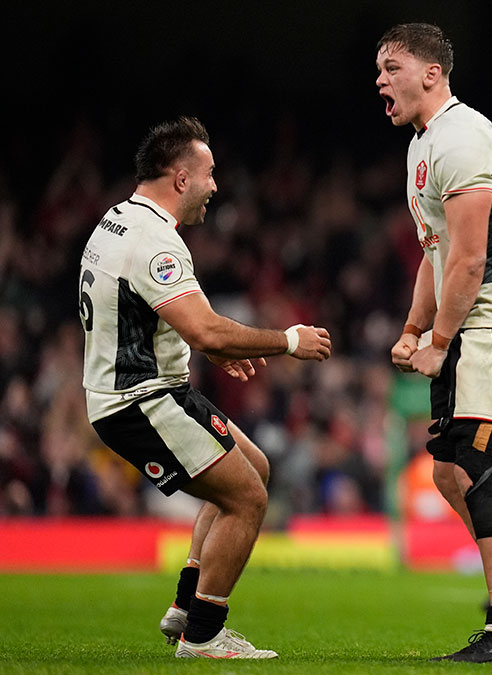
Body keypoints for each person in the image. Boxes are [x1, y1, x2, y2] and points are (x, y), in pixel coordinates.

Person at [79, 116, 333, 659]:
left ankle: (183, 607)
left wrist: (212, 345)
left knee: (255, 467)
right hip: (140, 401)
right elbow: (205, 326)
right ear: (179, 178)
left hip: (155, 388)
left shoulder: (117, 221)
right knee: (248, 499)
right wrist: (287, 341)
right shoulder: (155, 243)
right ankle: (204, 634)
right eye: (209, 173)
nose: (215, 186)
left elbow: (145, 313)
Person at [376, 23, 492, 663]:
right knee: (451, 471)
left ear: (432, 73)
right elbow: (437, 253)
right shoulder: (424, 146)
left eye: (391, 67)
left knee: (477, 471)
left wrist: (440, 338)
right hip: (470, 328)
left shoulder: (463, 137)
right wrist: (411, 329)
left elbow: (473, 259)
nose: (379, 80)